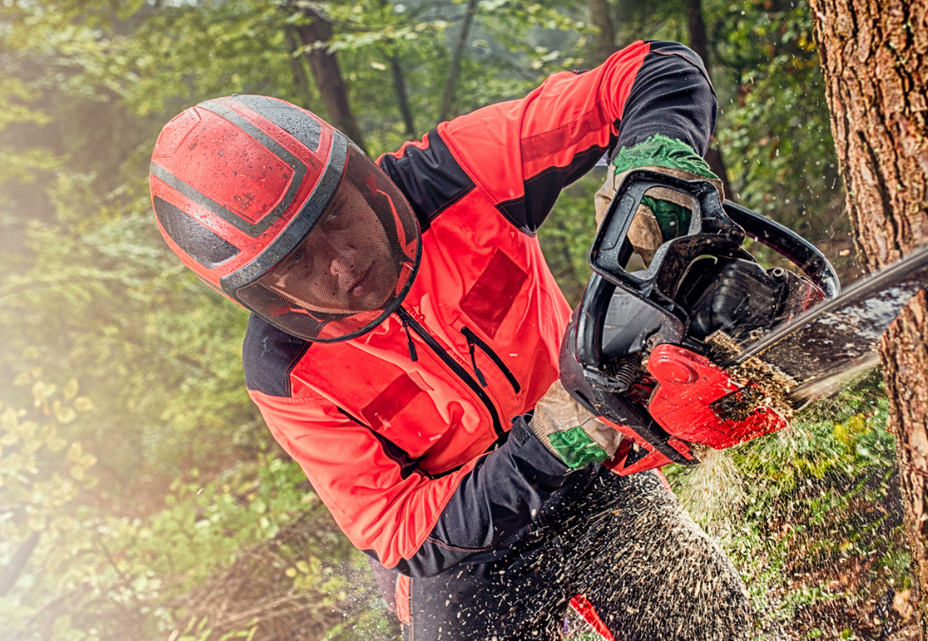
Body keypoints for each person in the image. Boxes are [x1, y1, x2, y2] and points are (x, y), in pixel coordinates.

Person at [148, 40, 754, 640]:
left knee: (718, 626)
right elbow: (397, 529)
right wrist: (549, 440)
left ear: (358, 180)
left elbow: (650, 70)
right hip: (465, 558)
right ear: (265, 290)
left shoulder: (453, 175)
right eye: (300, 261)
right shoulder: (285, 370)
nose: (343, 261)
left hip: (598, 460)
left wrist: (655, 168)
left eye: (335, 216)